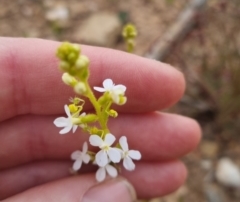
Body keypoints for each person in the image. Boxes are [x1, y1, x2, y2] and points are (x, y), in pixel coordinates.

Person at [0, 38, 201, 202]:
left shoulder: (101, 100)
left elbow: (101, 121)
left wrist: (105, 106)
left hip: (109, 145)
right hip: (102, 152)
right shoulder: (87, 108)